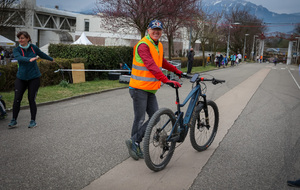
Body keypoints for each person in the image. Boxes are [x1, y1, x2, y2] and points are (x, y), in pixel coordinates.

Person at [126, 20, 182, 160]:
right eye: (154, 29)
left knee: (155, 117)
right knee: (140, 119)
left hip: (149, 89)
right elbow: (151, 65)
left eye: (159, 30)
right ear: (148, 31)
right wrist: (166, 79)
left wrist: (177, 71)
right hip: (138, 88)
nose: (156, 32)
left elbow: (162, 62)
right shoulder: (143, 45)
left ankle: (134, 141)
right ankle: (135, 144)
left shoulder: (158, 45)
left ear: (162, 31)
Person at [8, 31, 55, 128]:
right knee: (17, 99)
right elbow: (19, 58)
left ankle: (33, 121)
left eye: (22, 38)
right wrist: (28, 59)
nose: (20, 40)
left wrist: (51, 59)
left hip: (34, 78)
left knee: (31, 99)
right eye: (19, 38)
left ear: (28, 38)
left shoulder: (33, 48)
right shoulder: (16, 50)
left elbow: (41, 54)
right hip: (21, 78)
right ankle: (13, 120)